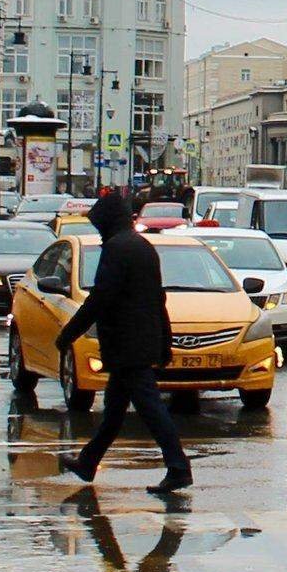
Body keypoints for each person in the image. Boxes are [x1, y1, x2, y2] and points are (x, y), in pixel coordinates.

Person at [56, 191, 192, 494]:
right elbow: (158, 299)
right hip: (139, 341)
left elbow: (101, 298)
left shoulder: (118, 249)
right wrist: (165, 342)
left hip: (126, 344)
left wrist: (69, 333)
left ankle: (179, 467)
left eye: (98, 223)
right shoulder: (142, 247)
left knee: (151, 409)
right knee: (115, 411)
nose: (97, 229)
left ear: (108, 221)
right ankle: (88, 462)